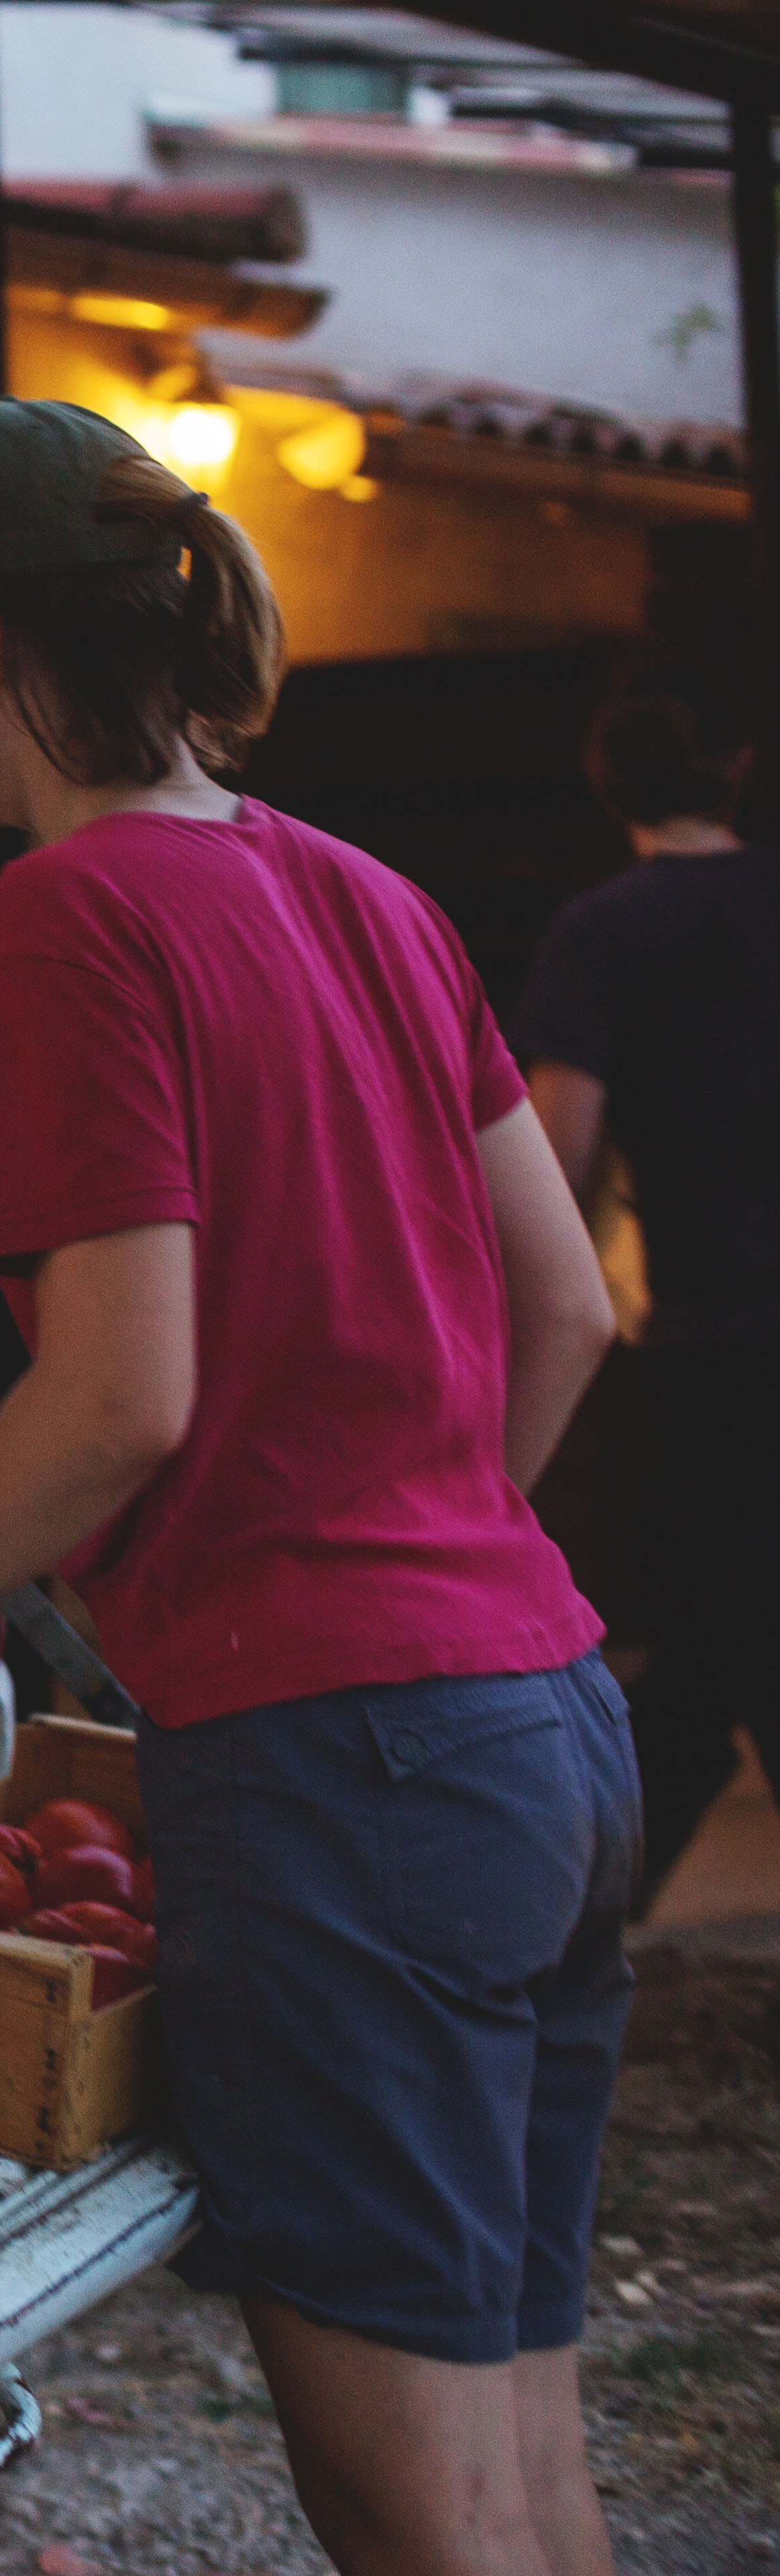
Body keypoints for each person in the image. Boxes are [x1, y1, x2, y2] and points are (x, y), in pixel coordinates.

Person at [0, 400, 627, 2576]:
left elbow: (115, 1405)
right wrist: (425, 1565)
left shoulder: (72, 914)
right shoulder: (361, 889)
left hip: (355, 1771)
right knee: (528, 2465)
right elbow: (560, 1307)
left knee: (411, 2515)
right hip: (545, 1722)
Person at [512, 662, 780, 1912]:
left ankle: (585, 1926)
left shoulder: (607, 932)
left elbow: (554, 1153)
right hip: (717, 1344)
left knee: (731, 1639)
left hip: (716, 1346)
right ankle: (593, 1927)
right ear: (732, 769)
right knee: (702, 1648)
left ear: (608, 786)